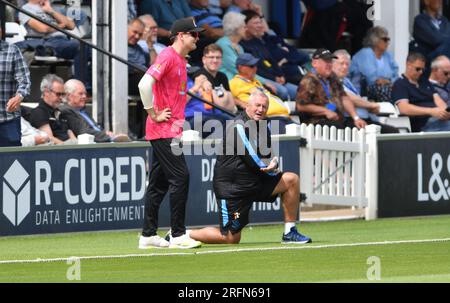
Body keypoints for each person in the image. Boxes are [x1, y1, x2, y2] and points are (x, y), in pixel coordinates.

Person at [187, 89, 312, 245]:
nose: (260, 109)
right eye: (257, 105)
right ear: (247, 105)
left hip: (255, 183)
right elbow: (253, 159)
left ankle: (290, 232)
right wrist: (269, 166)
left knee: (291, 180)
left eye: (264, 107)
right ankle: (185, 234)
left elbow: (267, 157)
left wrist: (273, 164)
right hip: (234, 190)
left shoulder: (263, 126)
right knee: (230, 238)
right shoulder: (238, 127)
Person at [137, 17, 204, 249]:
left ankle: (148, 235)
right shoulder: (167, 56)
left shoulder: (178, 59)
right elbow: (144, 85)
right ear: (181, 36)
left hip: (169, 129)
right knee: (181, 177)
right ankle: (177, 234)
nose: (197, 38)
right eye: (194, 34)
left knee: (158, 185)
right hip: (163, 129)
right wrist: (153, 113)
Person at [296, 49, 367, 130]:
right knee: (340, 129)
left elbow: (344, 97)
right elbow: (301, 106)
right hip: (316, 123)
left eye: (330, 61)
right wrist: (325, 111)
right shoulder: (309, 80)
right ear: (314, 63)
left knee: (360, 127)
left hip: (337, 120)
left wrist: (356, 118)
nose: (329, 64)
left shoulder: (333, 78)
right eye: (326, 61)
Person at [332, 49, 399, 133]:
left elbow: (357, 99)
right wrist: (371, 105)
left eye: (347, 64)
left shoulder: (346, 80)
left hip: (364, 117)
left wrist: (369, 106)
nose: (345, 67)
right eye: (341, 63)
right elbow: (348, 97)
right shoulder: (332, 80)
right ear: (332, 64)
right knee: (391, 132)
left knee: (392, 132)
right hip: (350, 120)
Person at [240, 9, 298, 101]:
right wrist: (274, 78)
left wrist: (280, 75)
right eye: (256, 23)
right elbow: (256, 69)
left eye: (260, 22)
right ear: (245, 26)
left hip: (276, 78)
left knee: (297, 91)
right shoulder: (242, 45)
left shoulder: (257, 41)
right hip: (262, 80)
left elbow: (271, 60)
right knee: (283, 91)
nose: (260, 26)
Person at [17, 0, 83, 79]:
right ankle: (48, 50)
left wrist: (50, 10)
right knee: (76, 45)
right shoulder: (25, 9)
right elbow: (43, 29)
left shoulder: (52, 7)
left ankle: (81, 85)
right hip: (44, 40)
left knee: (85, 47)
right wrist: (62, 25)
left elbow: (71, 25)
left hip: (62, 41)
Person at [229, 53, 292, 134]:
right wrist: (241, 103)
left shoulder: (256, 81)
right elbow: (228, 98)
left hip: (284, 117)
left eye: (255, 65)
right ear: (241, 68)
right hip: (270, 119)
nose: (255, 68)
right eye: (251, 66)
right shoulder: (234, 83)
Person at [392, 52, 450, 132]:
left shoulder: (424, 81)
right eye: (418, 69)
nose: (421, 72)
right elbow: (404, 108)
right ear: (408, 65)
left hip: (437, 120)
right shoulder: (400, 84)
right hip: (421, 124)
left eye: (423, 69)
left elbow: (438, 100)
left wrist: (444, 112)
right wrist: (431, 111)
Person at [60, 79, 131, 143]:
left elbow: (95, 129)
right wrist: (110, 137)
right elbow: (84, 132)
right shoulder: (66, 111)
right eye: (80, 94)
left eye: (85, 94)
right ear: (69, 96)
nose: (84, 96)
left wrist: (109, 134)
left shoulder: (84, 111)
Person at [349, 26, 399, 102]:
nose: (388, 43)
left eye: (388, 40)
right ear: (375, 40)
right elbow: (371, 79)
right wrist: (388, 81)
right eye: (385, 39)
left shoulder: (388, 55)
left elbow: (396, 75)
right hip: (363, 94)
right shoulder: (365, 53)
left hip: (384, 91)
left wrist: (387, 81)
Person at [0, 31, 31, 147]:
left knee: (12, 160)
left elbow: (24, 80)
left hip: (8, 120)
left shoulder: (12, 51)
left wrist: (19, 96)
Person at [29, 74, 77, 145]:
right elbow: (49, 139)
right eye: (58, 94)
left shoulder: (60, 112)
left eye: (62, 94)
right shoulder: (38, 113)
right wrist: (69, 149)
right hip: (58, 151)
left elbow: (70, 133)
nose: (61, 98)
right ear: (46, 92)